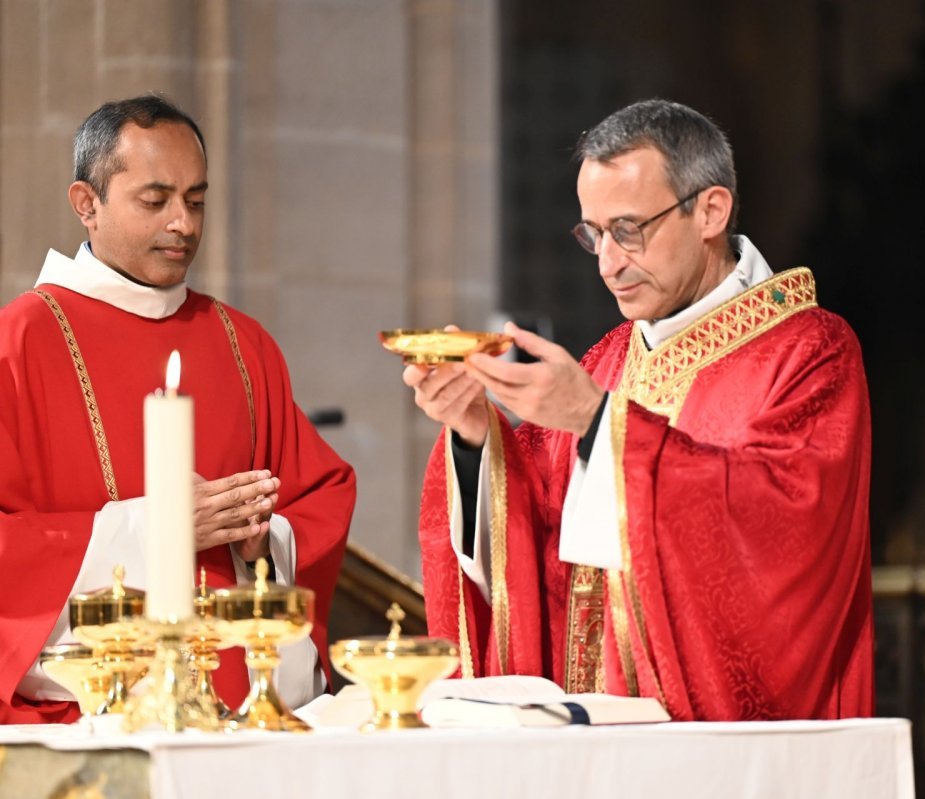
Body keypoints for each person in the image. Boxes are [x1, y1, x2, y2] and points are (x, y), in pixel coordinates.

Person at [405, 99, 873, 721]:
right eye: (592, 235)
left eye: (628, 230)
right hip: (593, 742)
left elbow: (780, 538)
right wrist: (474, 435)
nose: (608, 262)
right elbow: (535, 533)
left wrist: (602, 424)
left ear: (710, 210)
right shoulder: (609, 359)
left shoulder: (808, 351)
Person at [0, 95, 356, 724]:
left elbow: (317, 497)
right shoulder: (21, 342)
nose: (183, 225)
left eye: (195, 201)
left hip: (244, 713)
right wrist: (146, 529)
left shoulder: (243, 345)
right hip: (98, 714)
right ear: (86, 204)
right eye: (154, 200)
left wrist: (263, 542)